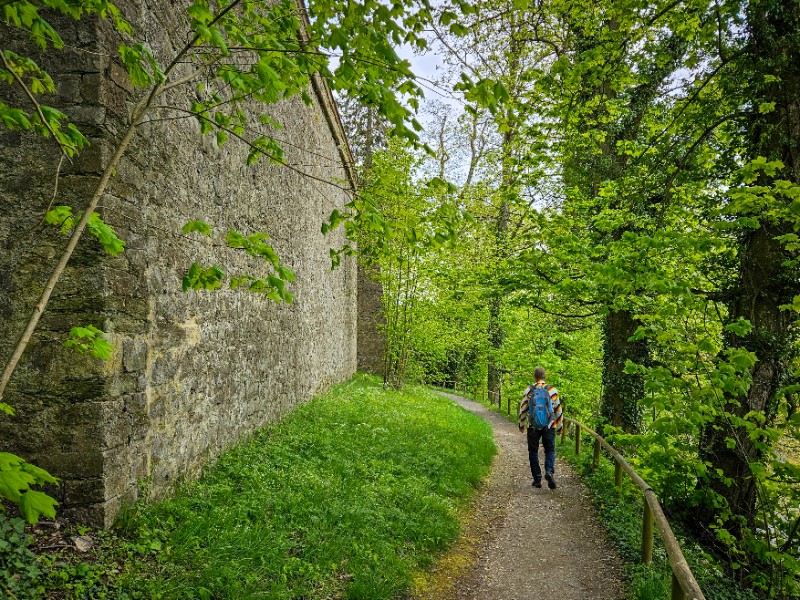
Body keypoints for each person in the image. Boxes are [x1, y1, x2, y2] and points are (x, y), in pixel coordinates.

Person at [518, 366, 563, 489]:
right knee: (550, 450)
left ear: (534, 376)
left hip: (533, 426)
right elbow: (558, 410)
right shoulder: (552, 390)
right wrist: (559, 427)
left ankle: (537, 479)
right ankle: (549, 471)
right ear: (545, 376)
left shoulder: (529, 390)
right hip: (549, 425)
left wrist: (521, 425)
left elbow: (523, 409)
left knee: (533, 451)